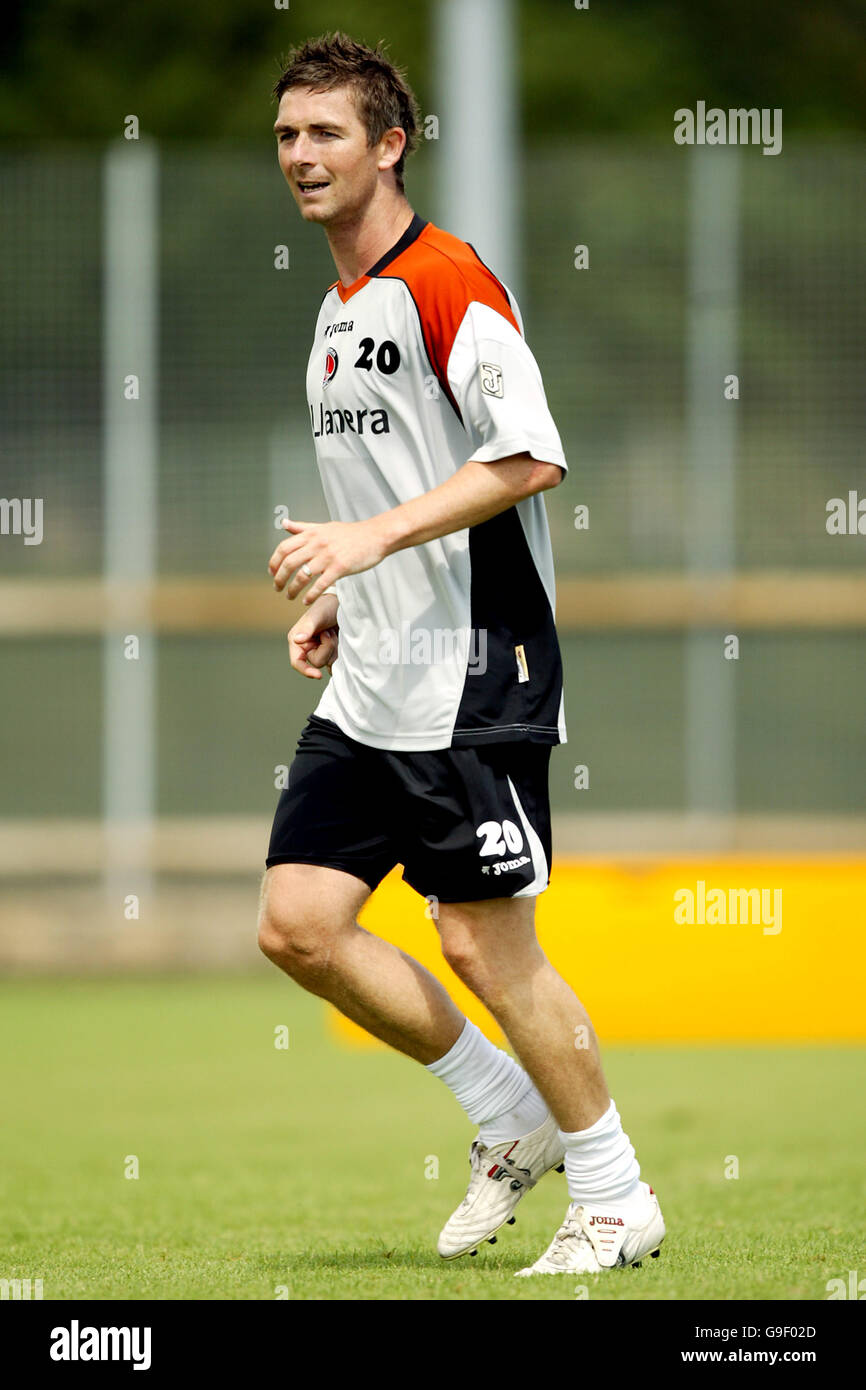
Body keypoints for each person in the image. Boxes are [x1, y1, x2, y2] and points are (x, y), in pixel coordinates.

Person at [258, 30, 665, 1276]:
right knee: (298, 924)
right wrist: (343, 594)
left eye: (326, 132)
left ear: (391, 146)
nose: (300, 155)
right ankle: (506, 1114)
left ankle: (613, 1189)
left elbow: (530, 454)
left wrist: (371, 538)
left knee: (484, 942)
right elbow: (383, 493)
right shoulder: (334, 314)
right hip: (377, 674)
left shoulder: (449, 281)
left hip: (476, 675)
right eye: (285, 134)